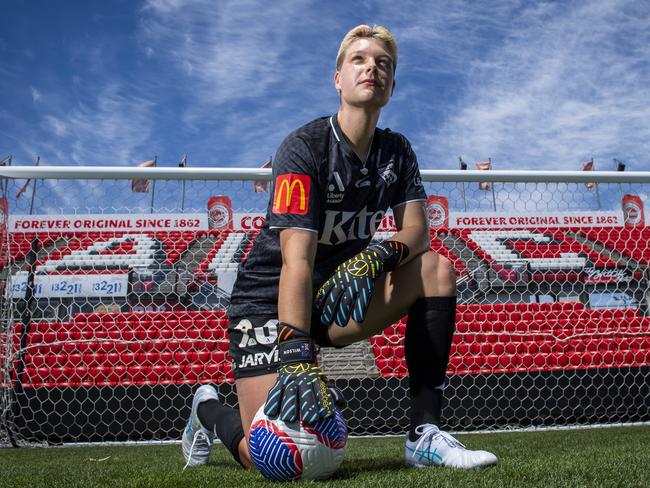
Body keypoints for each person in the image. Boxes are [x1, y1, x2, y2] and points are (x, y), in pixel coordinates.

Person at [182, 24, 497, 471]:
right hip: (270, 302)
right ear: (337, 78)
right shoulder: (303, 148)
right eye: (360, 60)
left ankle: (423, 435)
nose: (372, 68)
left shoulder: (398, 152)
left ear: (393, 84)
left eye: (383, 64)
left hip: (337, 293)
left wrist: (376, 256)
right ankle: (207, 409)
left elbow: (418, 234)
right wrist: (295, 353)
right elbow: (296, 259)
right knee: (266, 456)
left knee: (436, 270)